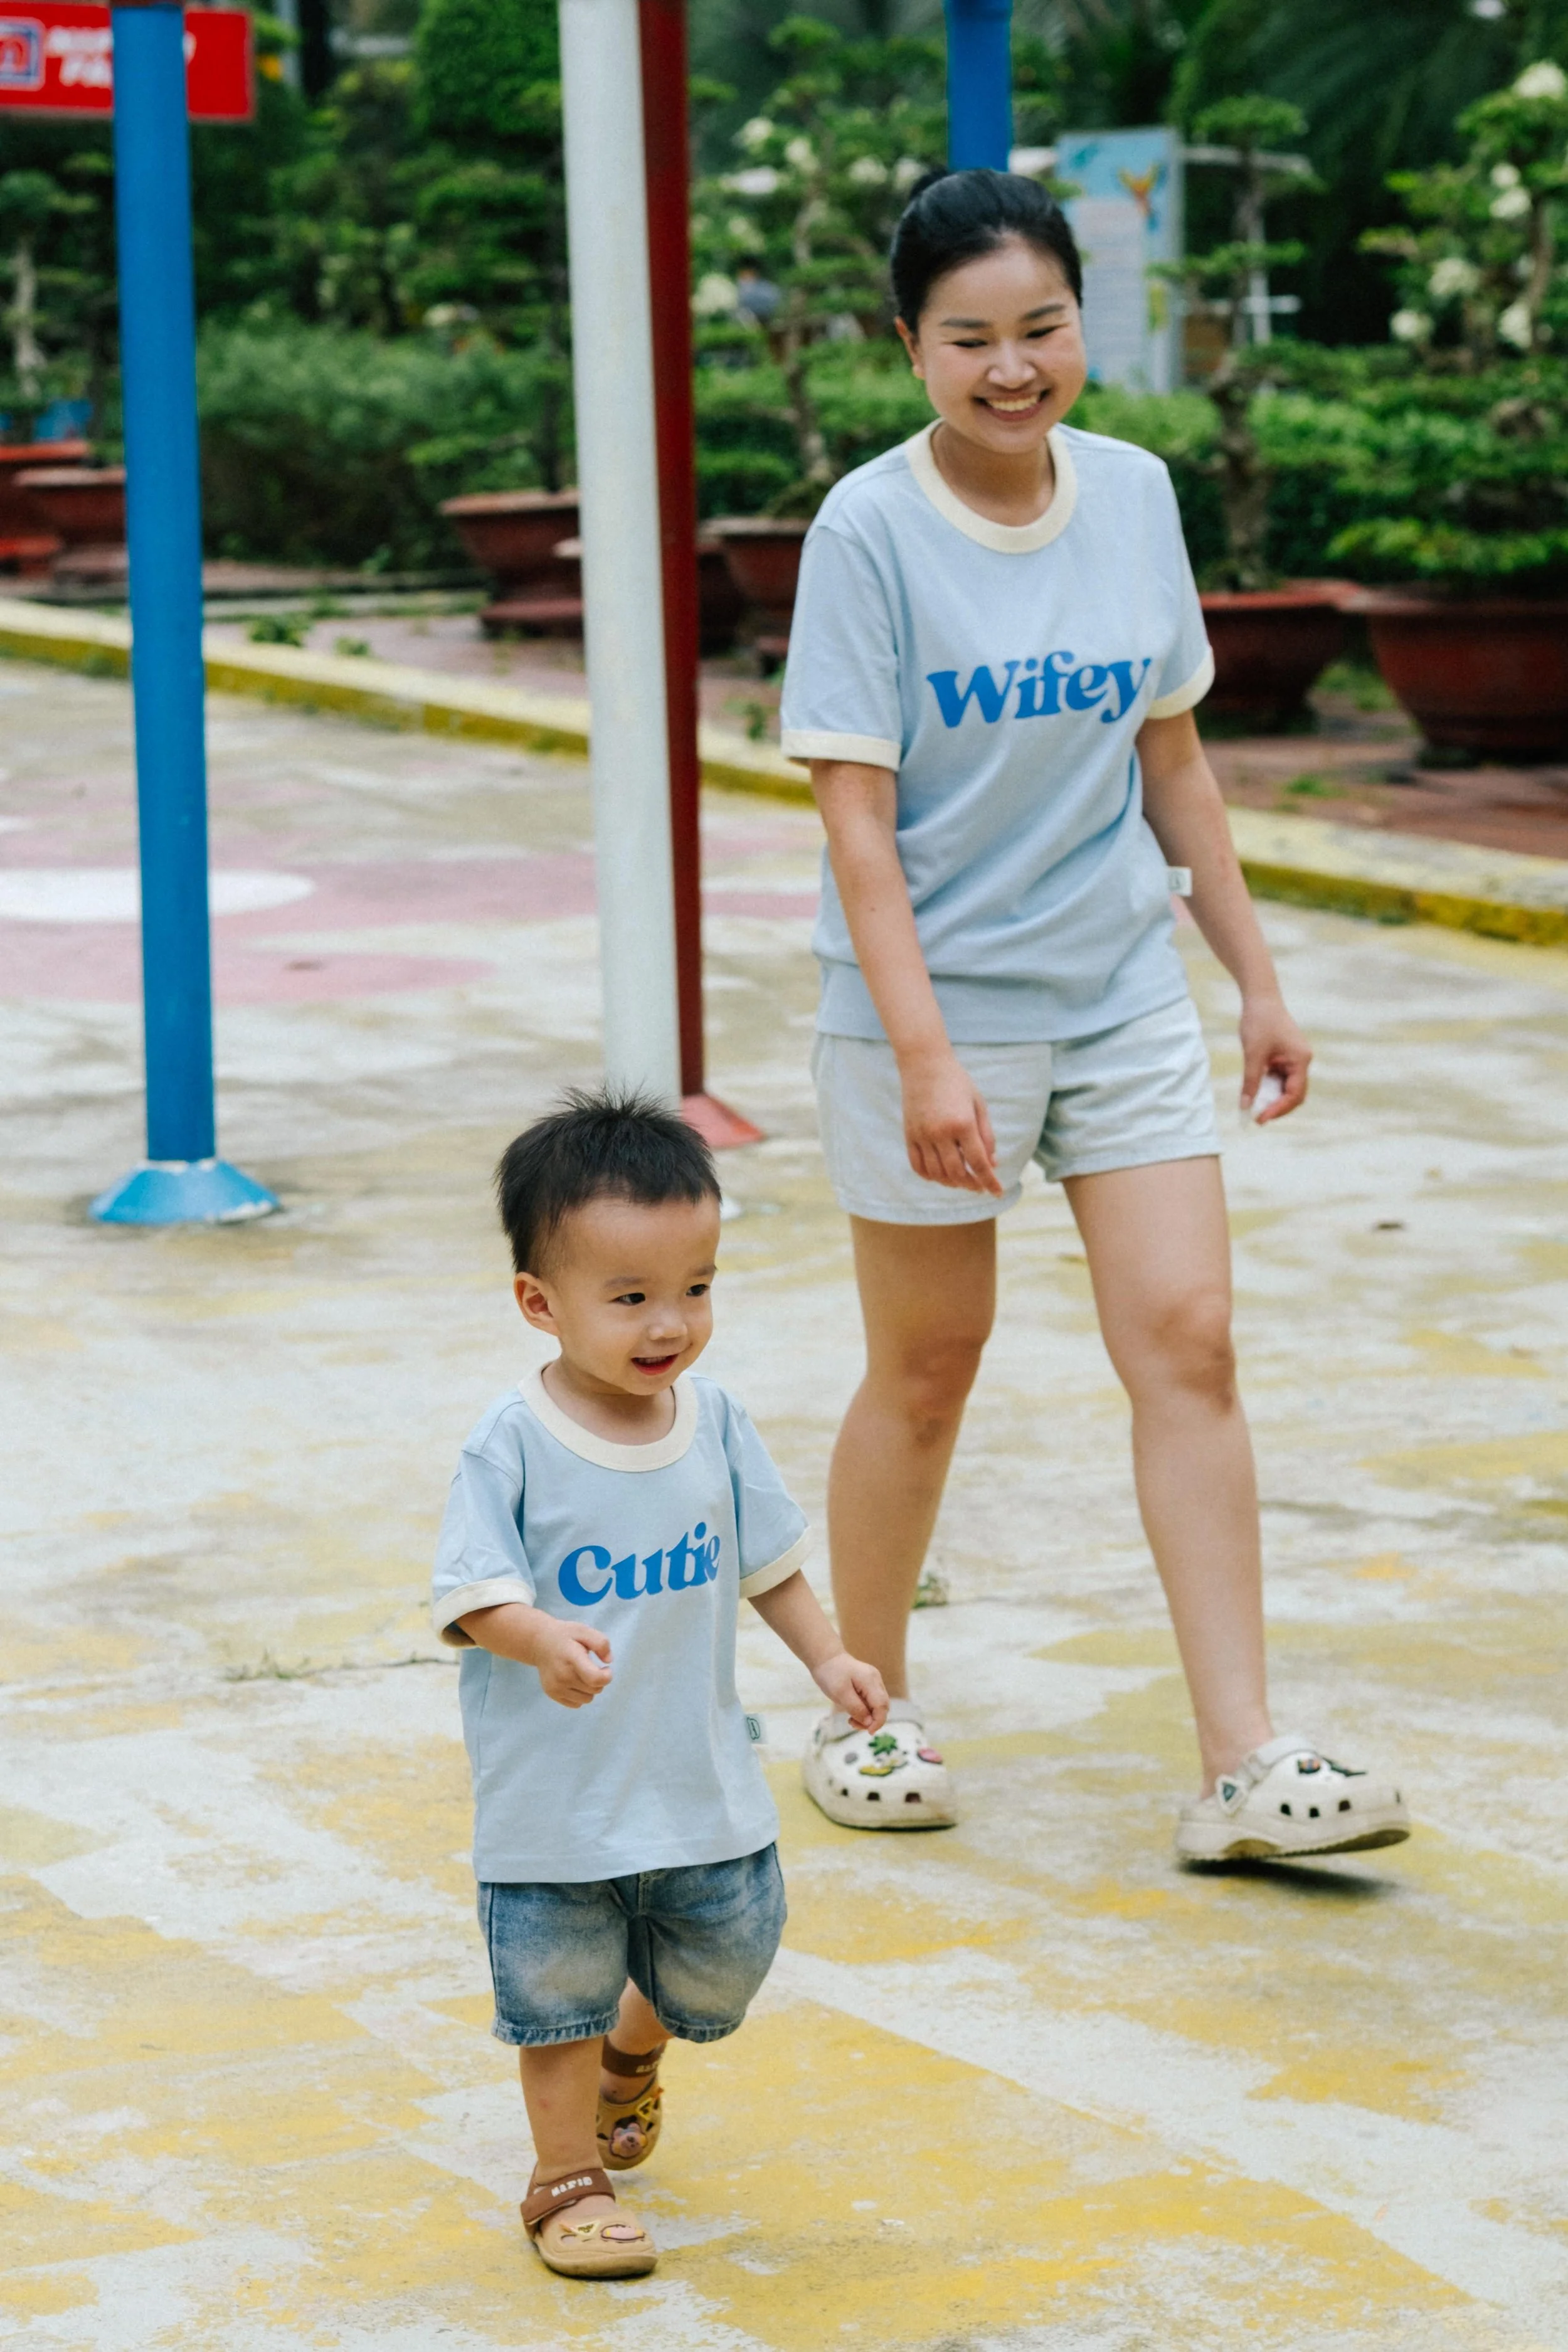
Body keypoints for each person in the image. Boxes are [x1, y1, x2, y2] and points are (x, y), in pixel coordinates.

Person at [778, 167, 1411, 1865]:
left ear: (1080, 322)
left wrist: (1253, 978)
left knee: (1188, 1340)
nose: (1010, 368)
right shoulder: (869, 529)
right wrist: (921, 1055)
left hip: (1120, 991)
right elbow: (855, 824)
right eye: (967, 337)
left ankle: (1242, 1758)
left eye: (1040, 327)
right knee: (925, 1362)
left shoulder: (1130, 496)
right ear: (908, 345)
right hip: (934, 1011)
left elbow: (1171, 761)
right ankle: (868, 1706)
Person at [430, 1091, 887, 2280]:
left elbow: (768, 1560)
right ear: (541, 1301)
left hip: (696, 1775)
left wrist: (830, 1656)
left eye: (696, 1286)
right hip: (555, 1801)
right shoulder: (512, 1441)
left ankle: (639, 2052)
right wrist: (537, 1638)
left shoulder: (716, 1420)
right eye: (629, 1296)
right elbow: (472, 1590)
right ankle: (564, 2175)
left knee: (727, 1953)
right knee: (559, 1991)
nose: (668, 1323)